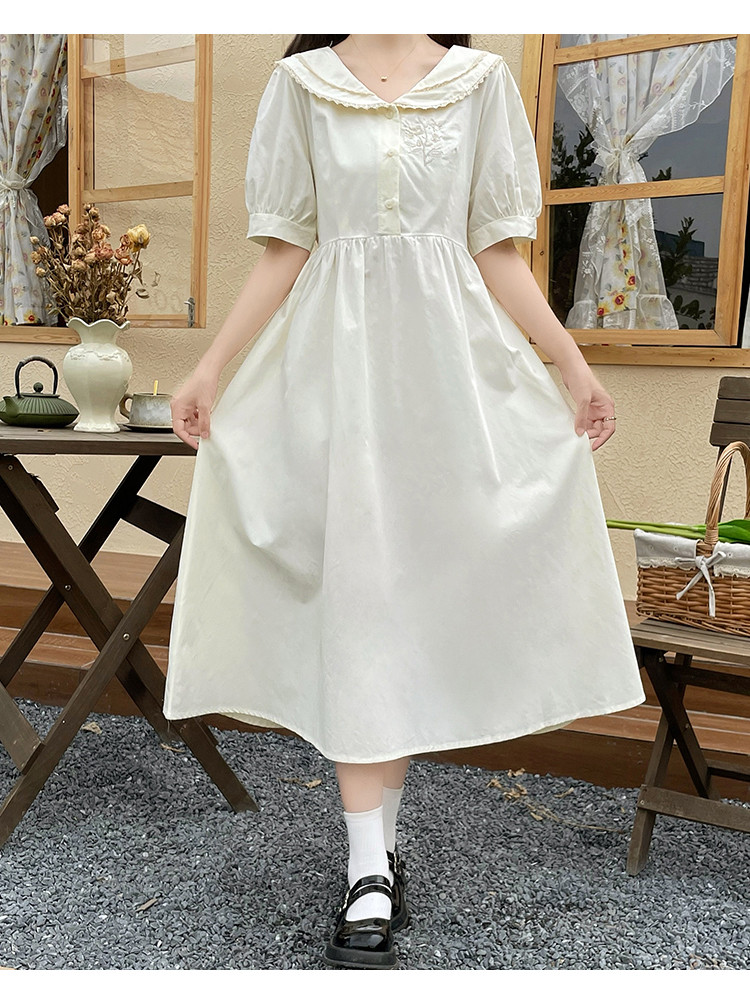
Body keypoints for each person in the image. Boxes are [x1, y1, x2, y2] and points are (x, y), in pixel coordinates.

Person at [162, 34, 646, 970]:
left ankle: (378, 851)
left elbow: (497, 251)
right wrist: (211, 366)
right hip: (332, 376)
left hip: (449, 381)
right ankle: (367, 868)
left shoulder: (480, 82)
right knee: (361, 602)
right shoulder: (300, 85)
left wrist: (573, 367)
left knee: (408, 603)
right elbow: (287, 247)